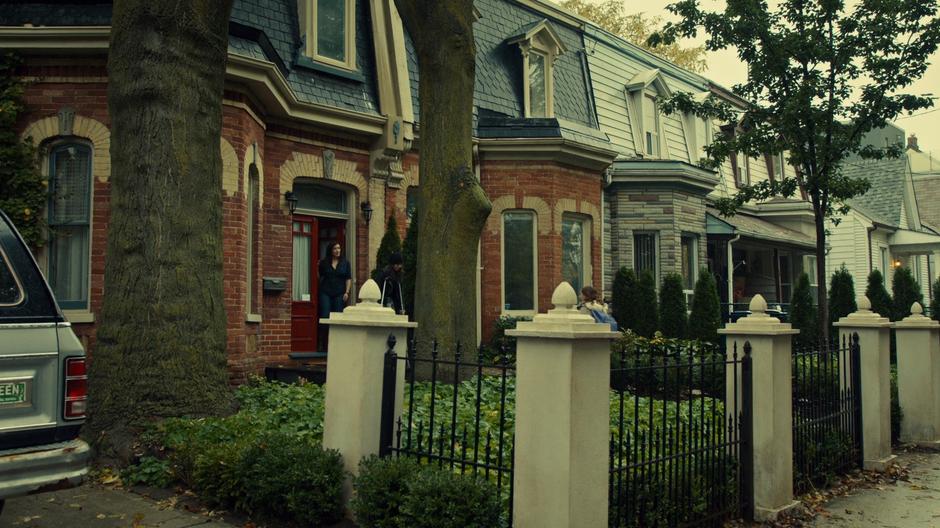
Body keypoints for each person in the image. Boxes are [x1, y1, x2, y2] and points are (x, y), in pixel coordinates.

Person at [318, 241, 352, 318]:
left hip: (340, 293)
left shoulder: (345, 263)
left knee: (338, 315)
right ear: (330, 250)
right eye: (335, 249)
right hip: (325, 292)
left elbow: (348, 278)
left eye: (339, 248)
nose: (337, 251)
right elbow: (319, 276)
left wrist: (347, 292)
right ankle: (325, 330)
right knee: (325, 314)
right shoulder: (324, 263)